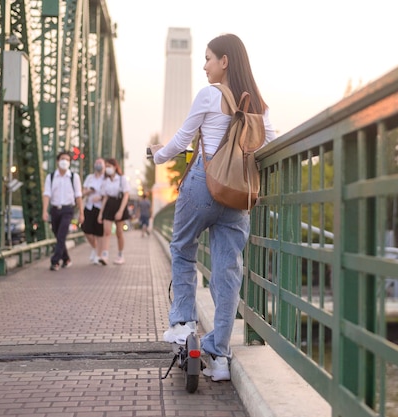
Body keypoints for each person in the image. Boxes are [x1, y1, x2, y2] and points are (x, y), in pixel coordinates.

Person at [150, 34, 276, 382]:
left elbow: (181, 140)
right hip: (238, 196)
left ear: (225, 61)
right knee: (228, 271)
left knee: (183, 248)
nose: (204, 65)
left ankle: (183, 322)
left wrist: (157, 155)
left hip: (203, 188)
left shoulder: (209, 94)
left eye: (208, 58)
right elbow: (272, 142)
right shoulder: (260, 106)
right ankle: (219, 355)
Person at [42, 151, 84, 271]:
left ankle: (55, 261)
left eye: (67, 159)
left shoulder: (74, 177)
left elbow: (78, 195)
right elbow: (46, 194)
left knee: (61, 235)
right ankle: (66, 259)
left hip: (67, 210)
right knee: (58, 235)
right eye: (62, 159)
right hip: (55, 209)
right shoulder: (50, 177)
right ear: (57, 161)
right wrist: (44, 211)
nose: (64, 161)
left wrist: (81, 213)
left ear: (70, 162)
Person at [97, 158, 130, 265]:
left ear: (115, 167)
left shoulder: (122, 179)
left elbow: (126, 195)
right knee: (106, 231)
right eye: (106, 166)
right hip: (109, 205)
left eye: (109, 166)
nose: (107, 169)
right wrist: (101, 213)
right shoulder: (105, 181)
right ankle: (104, 255)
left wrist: (120, 211)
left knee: (119, 232)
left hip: (119, 203)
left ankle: (120, 255)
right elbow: (105, 197)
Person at [81, 158, 105, 264]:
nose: (98, 165)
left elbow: (110, 193)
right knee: (86, 229)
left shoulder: (106, 178)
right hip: (89, 206)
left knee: (99, 232)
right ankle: (94, 247)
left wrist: (100, 197)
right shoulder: (90, 178)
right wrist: (90, 191)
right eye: (97, 163)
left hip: (100, 208)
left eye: (100, 163)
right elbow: (83, 192)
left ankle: (98, 255)